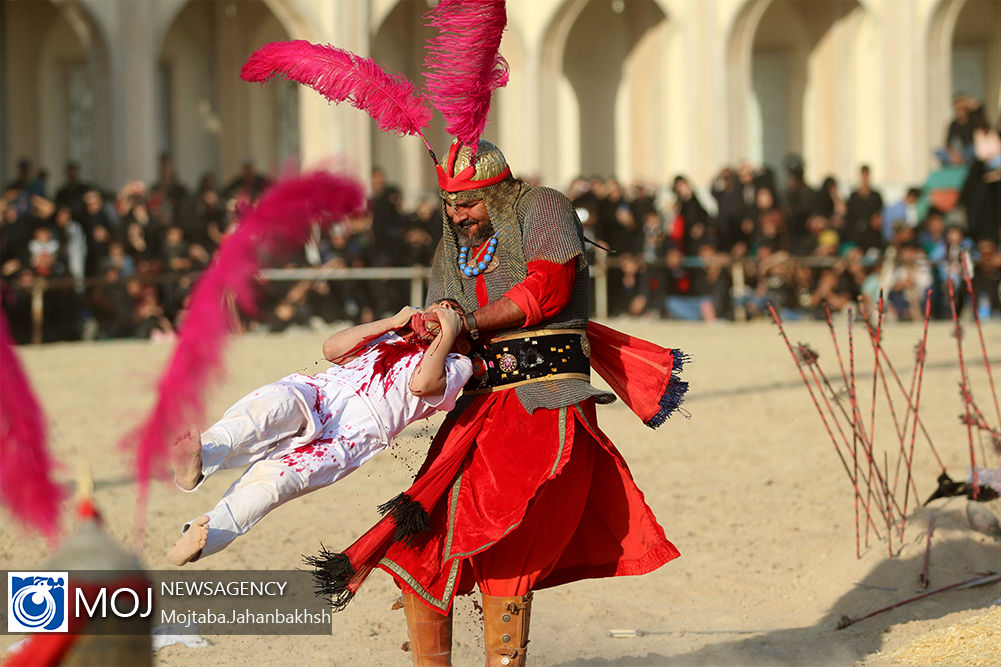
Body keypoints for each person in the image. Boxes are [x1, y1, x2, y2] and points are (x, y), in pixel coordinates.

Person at [309, 141, 686, 666]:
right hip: (476, 405)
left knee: (505, 535)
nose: (457, 214)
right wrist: (434, 324)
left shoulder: (543, 206)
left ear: (499, 189)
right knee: (423, 538)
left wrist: (468, 323)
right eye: (450, 203)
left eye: (468, 203)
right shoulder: (453, 240)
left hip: (542, 400)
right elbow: (449, 309)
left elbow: (545, 292)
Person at [166, 301, 472, 565]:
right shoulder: (391, 338)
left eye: (452, 311)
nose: (442, 311)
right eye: (438, 306)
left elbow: (423, 384)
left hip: (352, 435)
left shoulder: (456, 362)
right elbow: (331, 349)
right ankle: (201, 458)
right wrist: (393, 322)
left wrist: (447, 335)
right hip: (321, 393)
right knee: (271, 407)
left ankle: (202, 539)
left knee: (276, 482)